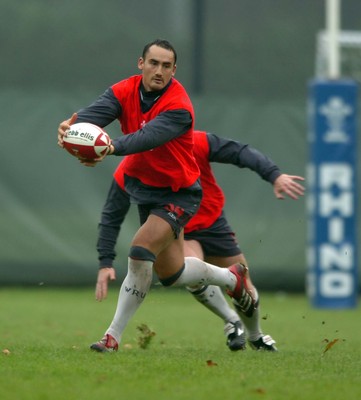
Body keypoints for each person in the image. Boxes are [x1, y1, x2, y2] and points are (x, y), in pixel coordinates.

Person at [57, 39, 262, 353]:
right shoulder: (123, 90)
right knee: (172, 273)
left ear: (174, 70)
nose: (159, 70)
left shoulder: (179, 106)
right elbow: (93, 116)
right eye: (153, 63)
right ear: (141, 63)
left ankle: (111, 338)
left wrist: (110, 146)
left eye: (166, 66)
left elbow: (147, 137)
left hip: (179, 193)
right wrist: (70, 130)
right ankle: (230, 278)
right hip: (147, 191)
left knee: (140, 248)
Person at [94, 130, 305, 352]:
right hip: (178, 226)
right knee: (189, 272)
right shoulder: (131, 165)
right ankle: (232, 321)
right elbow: (112, 215)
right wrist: (105, 260)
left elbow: (239, 153)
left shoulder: (195, 141)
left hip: (213, 222)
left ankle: (255, 336)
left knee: (245, 283)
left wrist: (274, 175)